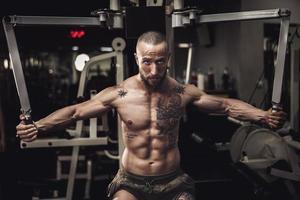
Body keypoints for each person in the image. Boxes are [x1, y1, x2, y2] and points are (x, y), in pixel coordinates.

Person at [16, 31, 286, 200]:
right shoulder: (119, 94)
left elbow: (226, 106)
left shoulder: (181, 92)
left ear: (168, 58)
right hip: (130, 182)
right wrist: (38, 126)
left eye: (160, 61)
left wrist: (262, 115)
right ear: (136, 58)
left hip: (173, 180)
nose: (154, 70)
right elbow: (75, 112)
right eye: (147, 61)